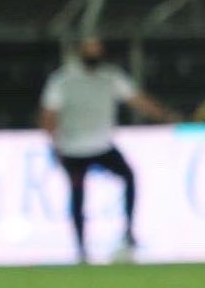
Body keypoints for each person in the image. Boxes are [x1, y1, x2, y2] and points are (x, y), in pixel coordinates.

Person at [39, 37, 177, 263]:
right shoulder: (63, 80)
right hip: (73, 147)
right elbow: (49, 114)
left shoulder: (110, 76)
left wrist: (164, 116)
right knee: (78, 195)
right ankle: (81, 248)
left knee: (128, 177)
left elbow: (137, 99)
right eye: (89, 48)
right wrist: (53, 143)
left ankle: (128, 232)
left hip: (101, 145)